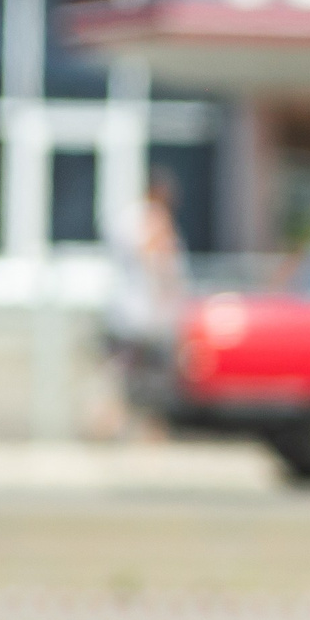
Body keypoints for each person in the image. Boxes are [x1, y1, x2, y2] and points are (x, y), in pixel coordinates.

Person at [104, 170, 189, 437]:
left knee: (132, 374)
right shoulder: (148, 218)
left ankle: (124, 425)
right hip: (143, 315)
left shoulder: (131, 216)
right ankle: (134, 426)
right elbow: (155, 259)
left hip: (137, 313)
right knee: (145, 376)